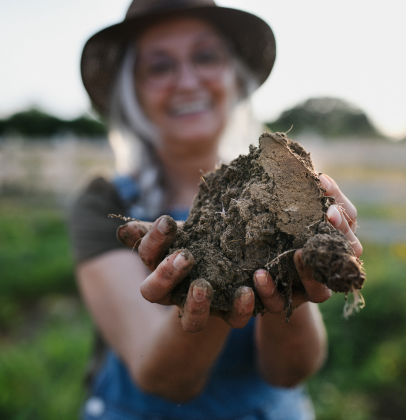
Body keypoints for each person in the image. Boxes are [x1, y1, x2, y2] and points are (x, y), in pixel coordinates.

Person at [70, 1, 363, 419]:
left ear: (234, 74)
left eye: (206, 56)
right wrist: (210, 284)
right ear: (132, 90)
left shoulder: (283, 189)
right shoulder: (105, 203)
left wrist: (297, 283)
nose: (187, 81)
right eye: (159, 66)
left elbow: (289, 372)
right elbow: (165, 380)